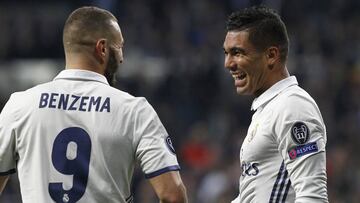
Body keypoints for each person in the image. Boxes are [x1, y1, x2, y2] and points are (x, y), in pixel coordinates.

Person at [0, 6, 187, 203]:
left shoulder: (20, 105)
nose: (122, 58)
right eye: (120, 47)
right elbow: (172, 195)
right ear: (103, 48)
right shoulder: (134, 111)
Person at [223, 6, 328, 202]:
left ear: (271, 55)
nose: (228, 63)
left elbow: (312, 196)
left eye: (237, 53)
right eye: (227, 53)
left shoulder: (292, 106)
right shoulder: (268, 109)